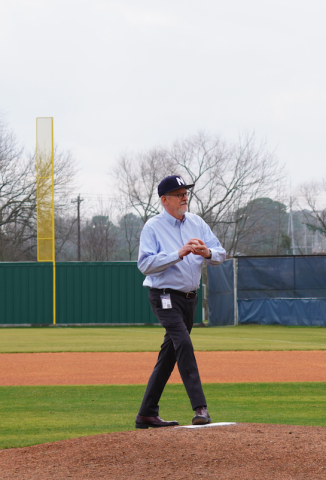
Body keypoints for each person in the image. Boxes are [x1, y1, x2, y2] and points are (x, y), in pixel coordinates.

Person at [135, 175, 226, 429]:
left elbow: (221, 253)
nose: (184, 197)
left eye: (185, 192)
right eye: (178, 193)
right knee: (183, 343)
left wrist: (206, 252)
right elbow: (144, 265)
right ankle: (200, 407)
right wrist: (179, 253)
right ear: (164, 200)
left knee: (170, 355)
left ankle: (146, 414)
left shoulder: (197, 223)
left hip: (189, 299)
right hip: (164, 296)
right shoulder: (153, 227)